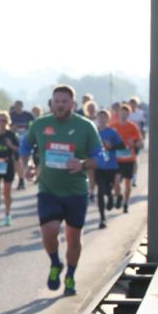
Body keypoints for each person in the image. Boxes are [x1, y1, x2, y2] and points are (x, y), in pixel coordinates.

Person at [20, 85, 101, 296]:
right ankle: (55, 263)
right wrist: (28, 164)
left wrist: (83, 164)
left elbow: (100, 157)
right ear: (52, 103)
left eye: (64, 102)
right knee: (50, 231)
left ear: (73, 104)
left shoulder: (86, 127)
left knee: (73, 238)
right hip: (48, 189)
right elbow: (25, 146)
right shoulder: (40, 124)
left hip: (76, 192)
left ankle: (70, 275)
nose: (60, 105)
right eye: (57, 101)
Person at [110, 103, 143, 214]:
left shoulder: (133, 127)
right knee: (116, 182)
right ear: (118, 113)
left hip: (129, 160)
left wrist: (134, 143)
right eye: (122, 113)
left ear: (129, 114)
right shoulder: (113, 126)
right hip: (117, 160)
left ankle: (125, 204)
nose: (123, 115)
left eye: (126, 113)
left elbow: (140, 143)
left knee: (128, 186)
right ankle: (119, 196)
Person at [94, 109, 121, 229]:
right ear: (97, 119)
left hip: (111, 166)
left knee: (108, 189)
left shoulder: (112, 132)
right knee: (100, 191)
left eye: (104, 117)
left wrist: (111, 146)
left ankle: (110, 196)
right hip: (98, 166)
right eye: (99, 117)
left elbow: (121, 145)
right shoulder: (94, 132)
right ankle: (102, 218)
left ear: (108, 119)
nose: (101, 119)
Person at [10, 100, 35, 190]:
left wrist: (29, 130)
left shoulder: (28, 115)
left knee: (25, 158)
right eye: (16, 107)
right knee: (17, 161)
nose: (17, 108)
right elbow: (6, 126)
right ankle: (21, 178)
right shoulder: (11, 115)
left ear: (22, 106)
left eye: (19, 106)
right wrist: (12, 129)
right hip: (15, 140)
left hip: (26, 140)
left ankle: (29, 170)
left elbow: (34, 126)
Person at [82, 100, 99, 199]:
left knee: (98, 170)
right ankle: (91, 191)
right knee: (90, 170)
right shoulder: (83, 121)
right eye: (89, 108)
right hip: (87, 148)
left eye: (93, 108)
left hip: (98, 148)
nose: (91, 110)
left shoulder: (100, 119)